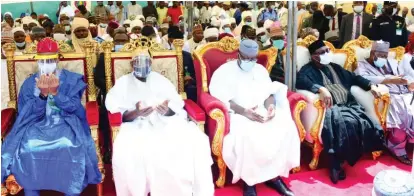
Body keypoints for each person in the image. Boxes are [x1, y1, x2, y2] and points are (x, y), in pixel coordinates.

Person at [1, 37, 102, 196]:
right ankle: (32, 191)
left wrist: (56, 93)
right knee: (29, 147)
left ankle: (70, 191)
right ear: (37, 61)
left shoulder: (70, 79)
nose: (47, 63)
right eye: (43, 60)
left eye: (50, 59)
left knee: (67, 145)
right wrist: (42, 95)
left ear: (57, 58)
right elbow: (25, 113)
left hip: (65, 123)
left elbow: (75, 108)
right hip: (35, 125)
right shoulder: (29, 83)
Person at [106, 52, 214, 196]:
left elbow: (176, 106)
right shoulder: (123, 83)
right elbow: (121, 114)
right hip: (137, 126)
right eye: (138, 63)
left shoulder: (160, 80)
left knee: (196, 140)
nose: (143, 66)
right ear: (132, 64)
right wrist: (136, 113)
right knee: (137, 150)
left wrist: (166, 111)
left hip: (165, 123)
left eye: (146, 63)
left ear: (151, 64)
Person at [209, 39, 299, 196]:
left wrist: (271, 106)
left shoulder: (260, 70)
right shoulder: (224, 72)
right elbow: (222, 99)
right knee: (248, 136)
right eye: (246, 58)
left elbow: (269, 94)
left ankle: (274, 176)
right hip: (238, 113)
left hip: (261, 110)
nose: (250, 62)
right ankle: (249, 182)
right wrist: (245, 112)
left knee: (285, 127)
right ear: (238, 55)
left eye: (253, 58)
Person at [296, 40, 384, 184]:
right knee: (346, 124)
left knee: (366, 122)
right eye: (322, 52)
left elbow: (354, 77)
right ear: (314, 57)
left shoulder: (335, 67)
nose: (327, 54)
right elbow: (300, 81)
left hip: (348, 104)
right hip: (331, 108)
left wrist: (371, 86)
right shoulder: (307, 70)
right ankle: (335, 163)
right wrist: (320, 88)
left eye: (327, 51)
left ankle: (343, 158)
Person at [355, 40, 414, 165]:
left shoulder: (392, 62)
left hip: (403, 92)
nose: (383, 58)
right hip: (388, 95)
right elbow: (363, 78)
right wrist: (389, 80)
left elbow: (403, 76)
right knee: (404, 111)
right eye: (380, 55)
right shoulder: (361, 65)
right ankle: (396, 146)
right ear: (372, 53)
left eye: (385, 56)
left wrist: (408, 83)